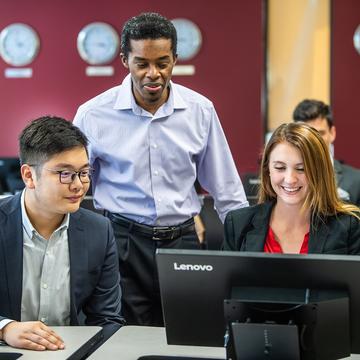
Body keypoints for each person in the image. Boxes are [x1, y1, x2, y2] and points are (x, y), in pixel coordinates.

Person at [73, 12, 248, 326]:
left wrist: (247, 251)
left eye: (162, 62)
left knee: (189, 334)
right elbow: (71, 183)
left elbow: (227, 191)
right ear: (125, 59)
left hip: (183, 241)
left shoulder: (200, 110)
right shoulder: (93, 115)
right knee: (122, 337)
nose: (153, 74)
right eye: (142, 63)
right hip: (120, 241)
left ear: (175, 59)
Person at [0, 116, 123, 351]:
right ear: (29, 176)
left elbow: (107, 319)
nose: (78, 185)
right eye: (64, 174)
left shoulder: (99, 230)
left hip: (71, 352)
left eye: (84, 172)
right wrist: (5, 328)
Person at [224, 122, 360, 254]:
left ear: (320, 171)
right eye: (280, 168)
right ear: (267, 170)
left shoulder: (349, 226)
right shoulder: (238, 224)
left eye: (301, 169)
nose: (290, 179)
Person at [293, 99, 360, 206]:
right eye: (307, 134)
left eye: (320, 133)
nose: (314, 141)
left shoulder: (357, 180)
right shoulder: (283, 179)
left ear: (332, 133)